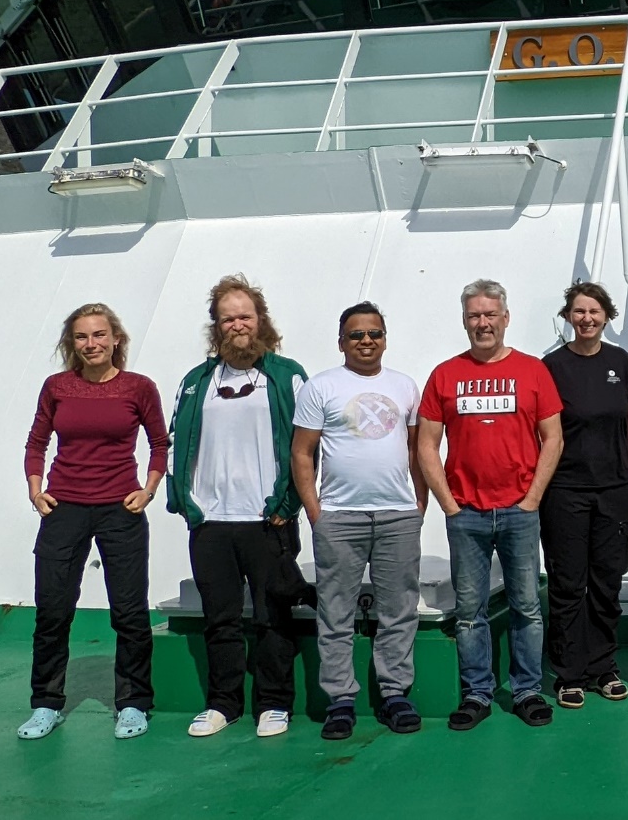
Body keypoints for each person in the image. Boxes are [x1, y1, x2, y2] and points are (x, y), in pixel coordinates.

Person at [166, 274, 311, 739]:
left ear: (260, 319)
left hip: (268, 518)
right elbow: (176, 444)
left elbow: (309, 448)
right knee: (220, 618)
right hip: (210, 522)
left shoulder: (287, 375)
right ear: (217, 326)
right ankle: (222, 703)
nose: (237, 325)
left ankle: (274, 703)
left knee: (273, 615)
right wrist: (186, 505)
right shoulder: (196, 382)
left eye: (245, 316)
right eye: (228, 318)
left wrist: (289, 504)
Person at [417, 280, 565, 731]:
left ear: (505, 317)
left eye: (489, 315)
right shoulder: (445, 375)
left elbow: (553, 438)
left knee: (526, 606)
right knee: (469, 613)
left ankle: (526, 691)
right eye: (473, 316)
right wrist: (449, 505)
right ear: (465, 321)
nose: (482, 323)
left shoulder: (533, 371)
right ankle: (478, 693)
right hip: (467, 515)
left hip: (519, 512)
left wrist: (532, 499)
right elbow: (426, 445)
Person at [19, 303, 168, 742]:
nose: (91, 344)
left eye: (100, 335)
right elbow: (37, 440)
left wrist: (149, 488)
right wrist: (35, 487)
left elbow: (159, 443)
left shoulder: (138, 387)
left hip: (120, 511)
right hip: (64, 508)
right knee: (52, 610)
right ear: (73, 343)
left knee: (129, 613)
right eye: (82, 337)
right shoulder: (57, 387)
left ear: (115, 339)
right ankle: (46, 704)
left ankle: (134, 704)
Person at [291, 303, 425, 741]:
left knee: (399, 609)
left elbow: (415, 451)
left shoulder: (405, 386)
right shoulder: (321, 387)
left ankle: (395, 693)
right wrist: (316, 513)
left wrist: (418, 505)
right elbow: (302, 452)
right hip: (339, 517)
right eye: (356, 335)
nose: (366, 342)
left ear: (385, 337)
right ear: (341, 341)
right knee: (335, 610)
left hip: (397, 515)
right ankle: (340, 700)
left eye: (374, 334)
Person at [540, 282, 628, 708]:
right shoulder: (551, 366)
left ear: (607, 316)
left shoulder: (622, 362)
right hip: (564, 491)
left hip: (615, 490)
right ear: (568, 316)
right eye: (579, 312)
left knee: (606, 582)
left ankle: (603, 667)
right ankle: (568, 672)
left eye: (594, 312)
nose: (587, 319)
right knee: (567, 583)